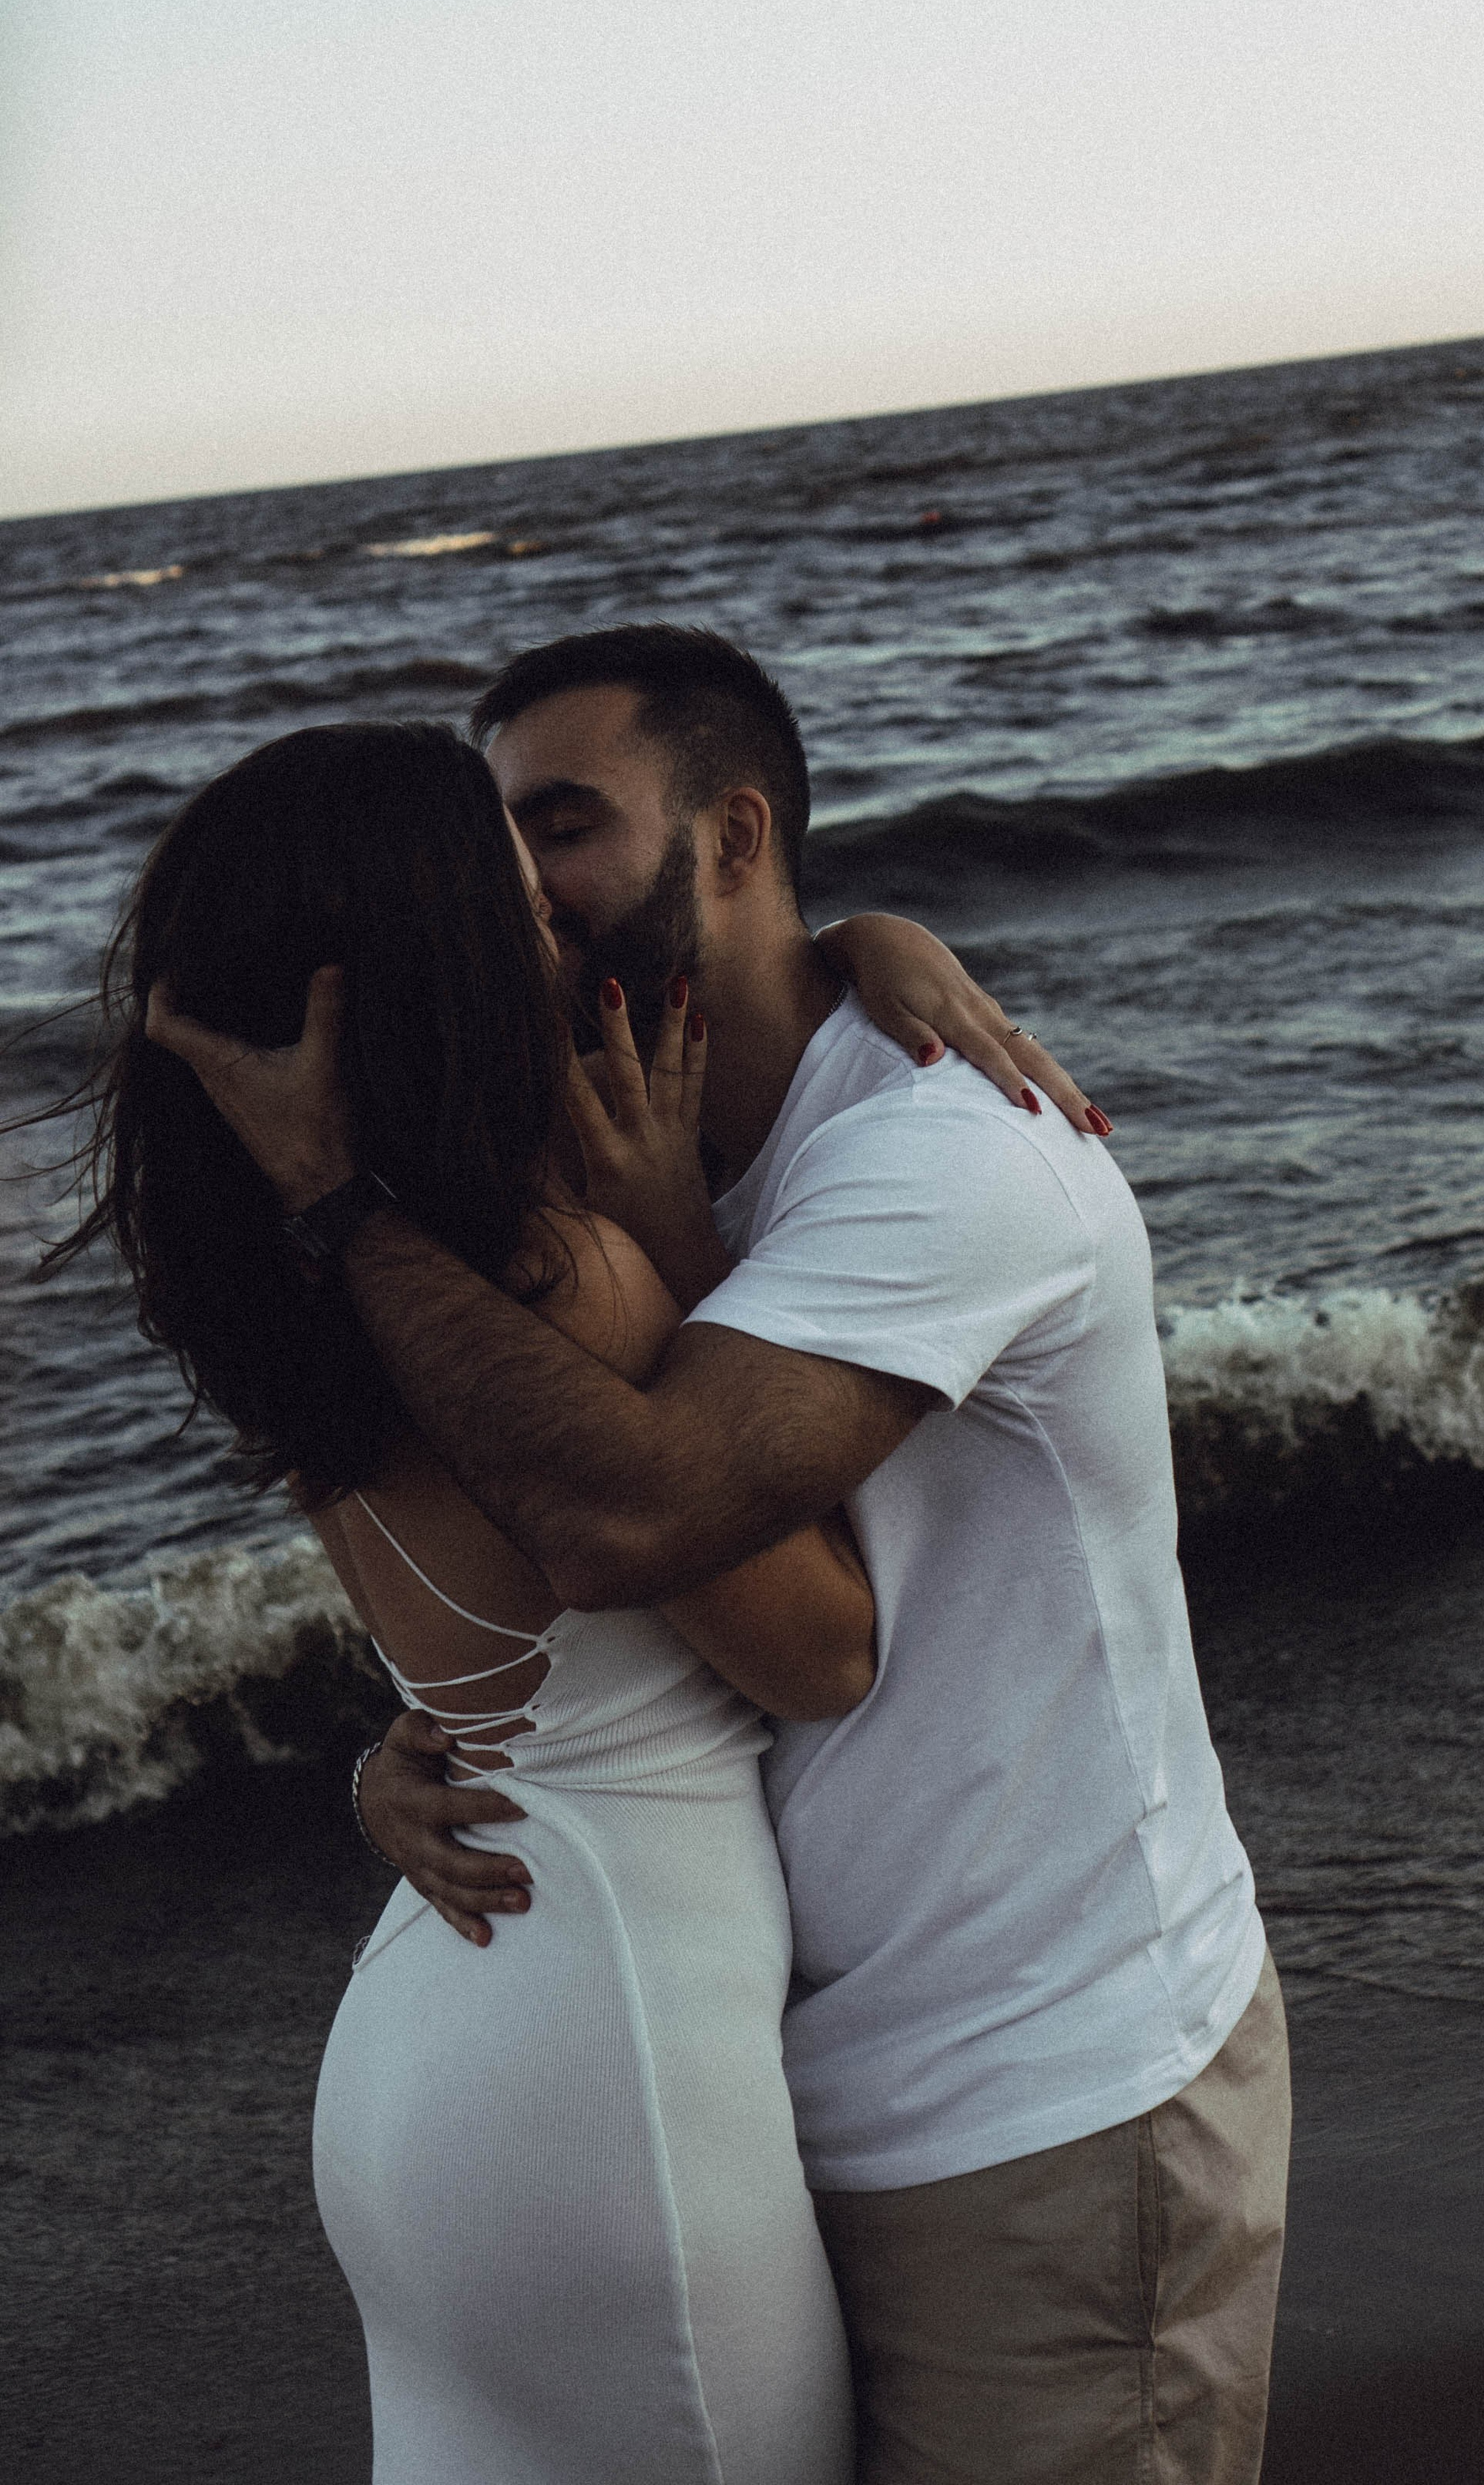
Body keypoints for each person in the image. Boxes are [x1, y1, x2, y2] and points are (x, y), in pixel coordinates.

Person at [152, 624, 1293, 2485]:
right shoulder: (571, 1185)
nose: (523, 889)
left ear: (736, 836)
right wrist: (429, 1747)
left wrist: (861, 953)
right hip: (739, 2064)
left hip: (1026, 2081)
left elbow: (636, 1524)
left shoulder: (936, 1155)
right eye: (494, 846)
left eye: (563, 828)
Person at [64, 713, 1048, 2484]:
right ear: (443, 957)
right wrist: (679, 1250)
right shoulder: (567, 1280)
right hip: (612, 2062)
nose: (562, 937)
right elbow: (825, 1653)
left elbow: (491, 1631)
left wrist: (859, 942)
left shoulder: (287, 1293)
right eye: (520, 909)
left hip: (430, 2031)